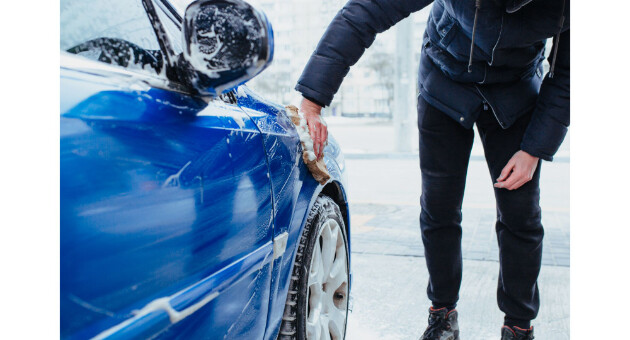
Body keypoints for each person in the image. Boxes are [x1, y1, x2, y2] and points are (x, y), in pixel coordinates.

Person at [296, 0, 569, 339]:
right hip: (445, 79)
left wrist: (534, 149)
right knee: (439, 206)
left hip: (517, 89)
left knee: (521, 214)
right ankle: (442, 315)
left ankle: (518, 325)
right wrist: (312, 99)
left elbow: (570, 73)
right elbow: (367, 11)